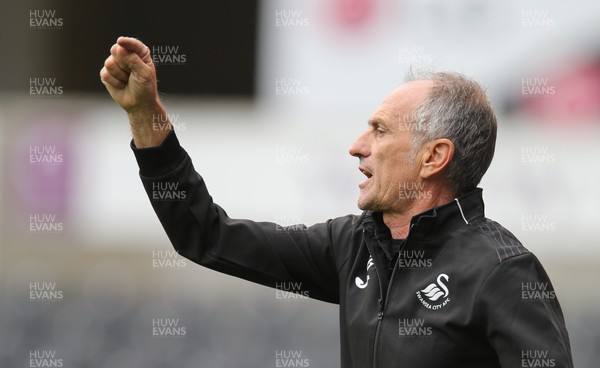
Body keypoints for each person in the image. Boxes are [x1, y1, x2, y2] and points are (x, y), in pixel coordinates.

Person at [100, 36, 574, 368]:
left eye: (380, 130)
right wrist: (145, 117)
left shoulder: (503, 271)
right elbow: (206, 236)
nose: (357, 145)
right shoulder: (353, 245)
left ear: (434, 157)